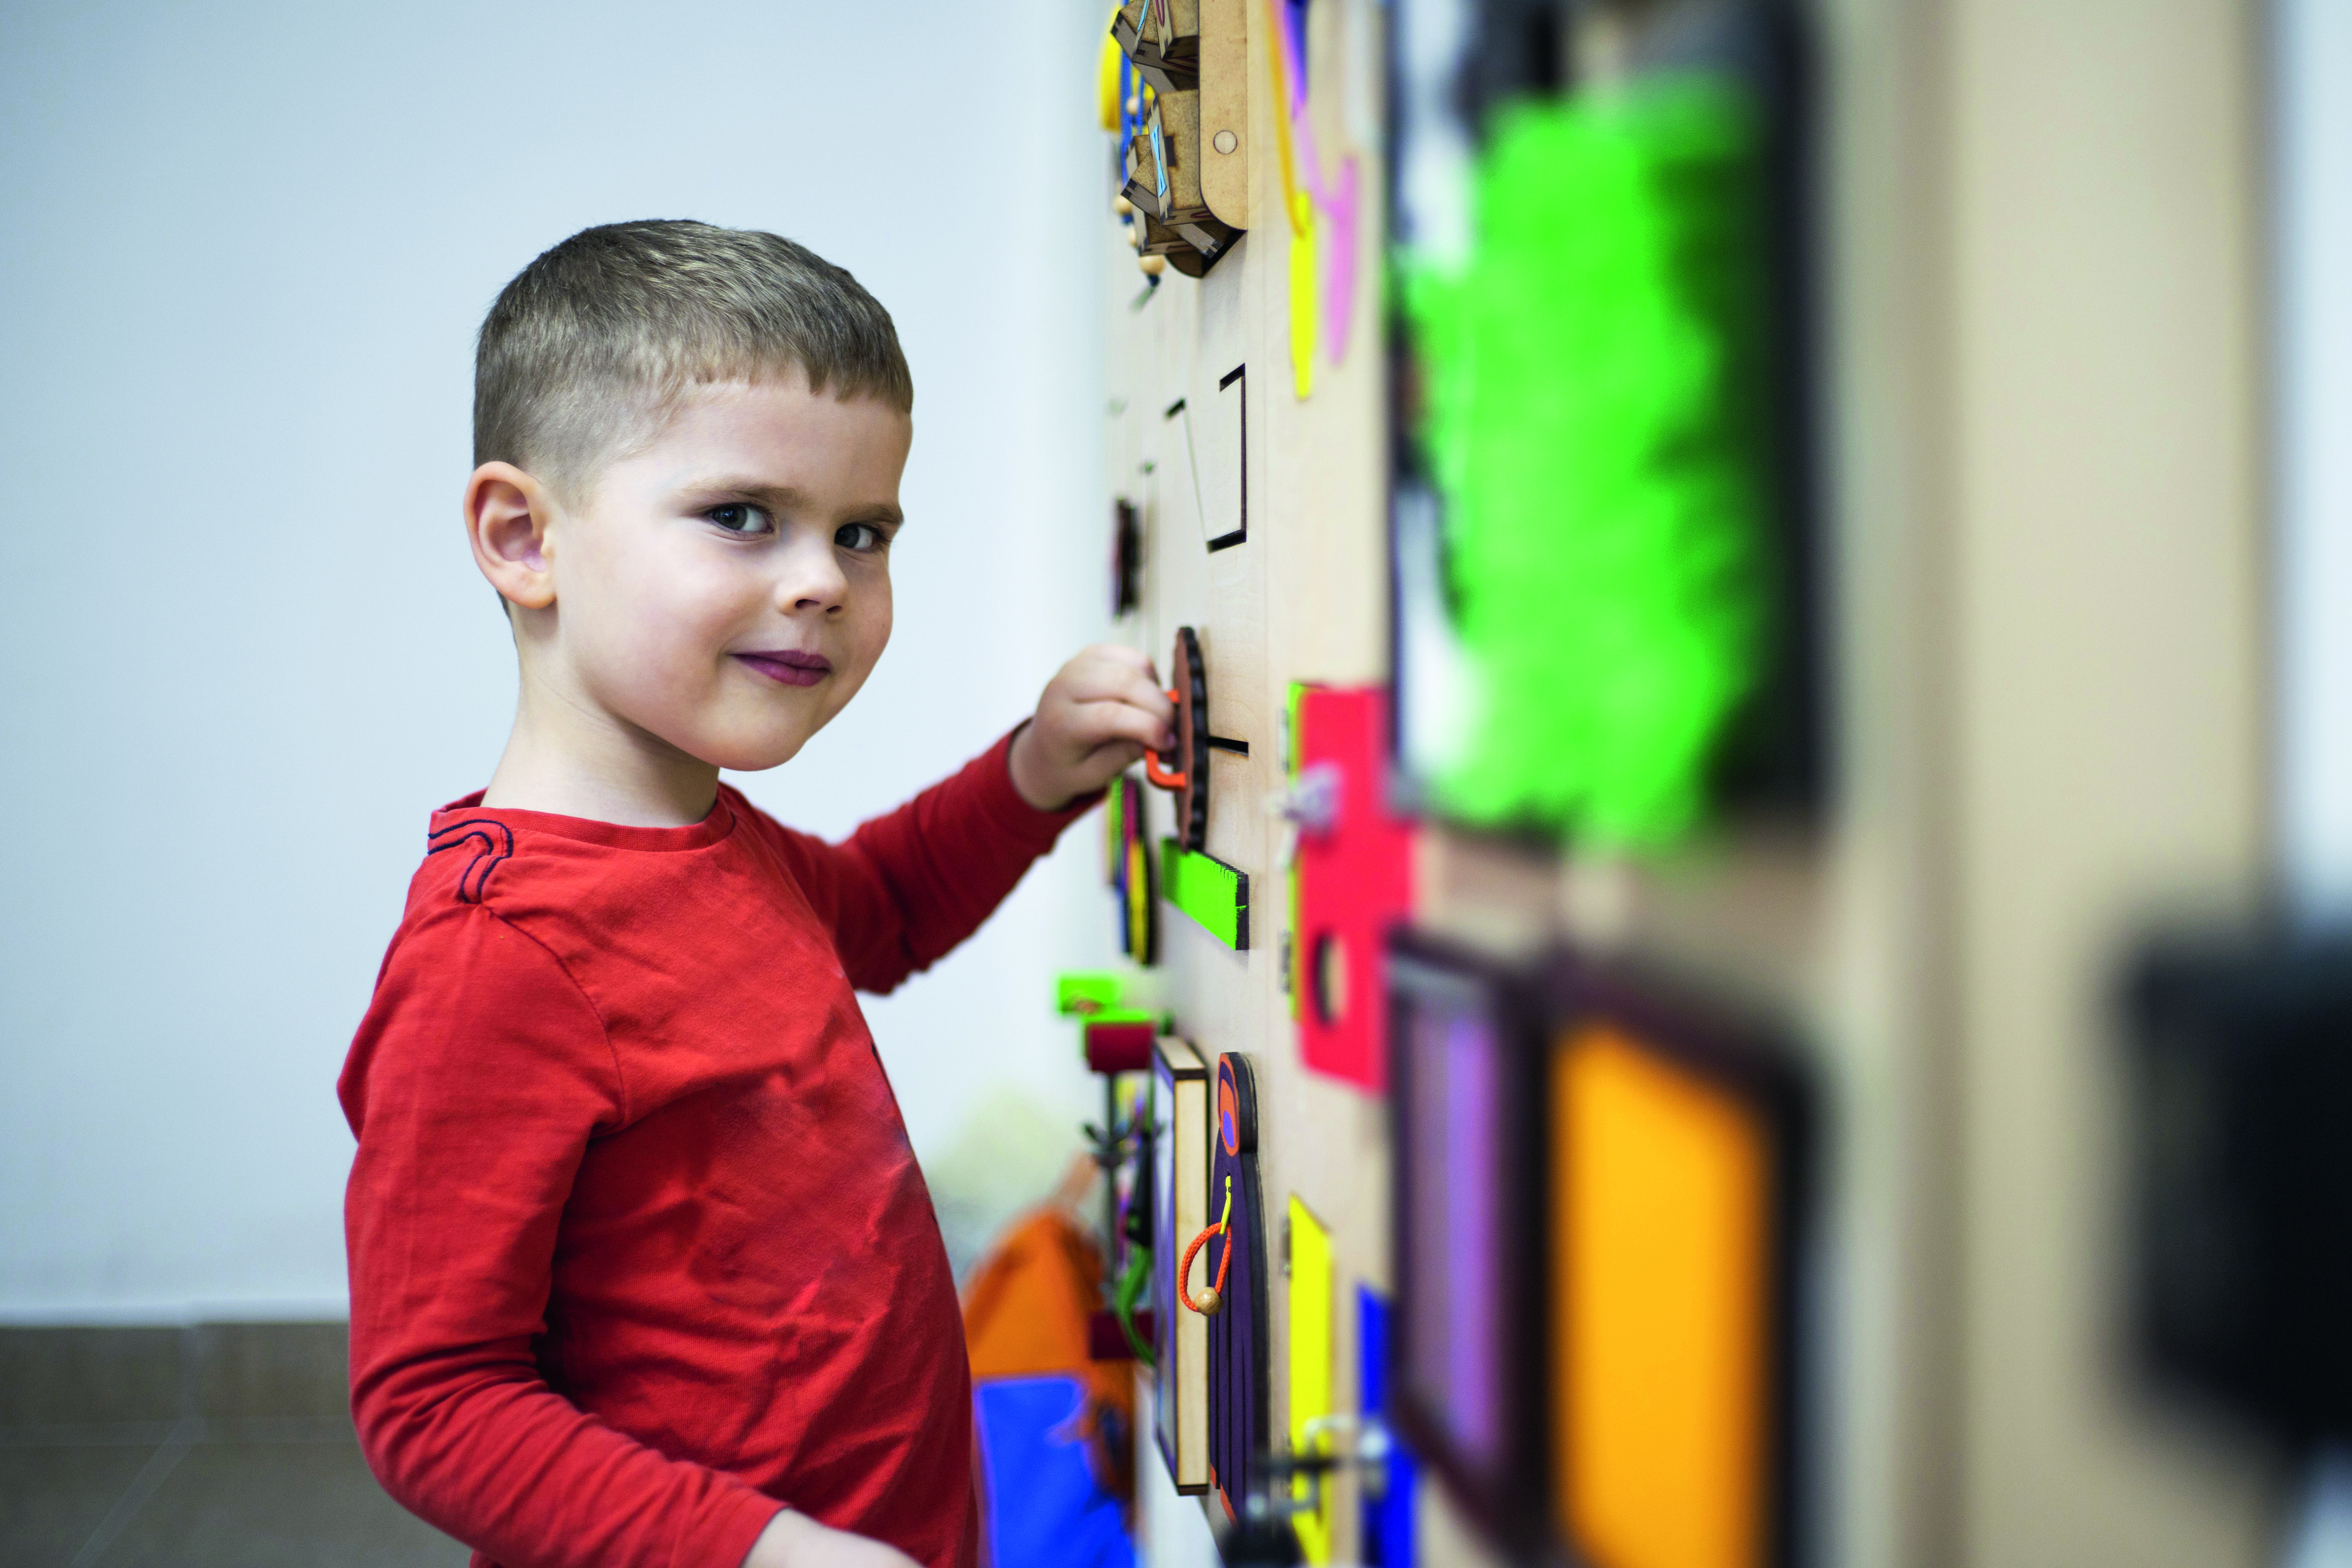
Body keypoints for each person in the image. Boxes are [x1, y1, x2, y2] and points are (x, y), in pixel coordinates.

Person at [337, 220, 1172, 1568]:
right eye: (742, 516)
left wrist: (1030, 770)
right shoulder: (498, 957)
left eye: (863, 532)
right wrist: (766, 1549)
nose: (821, 582)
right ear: (522, 536)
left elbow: (882, 912)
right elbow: (434, 1404)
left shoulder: (716, 835)